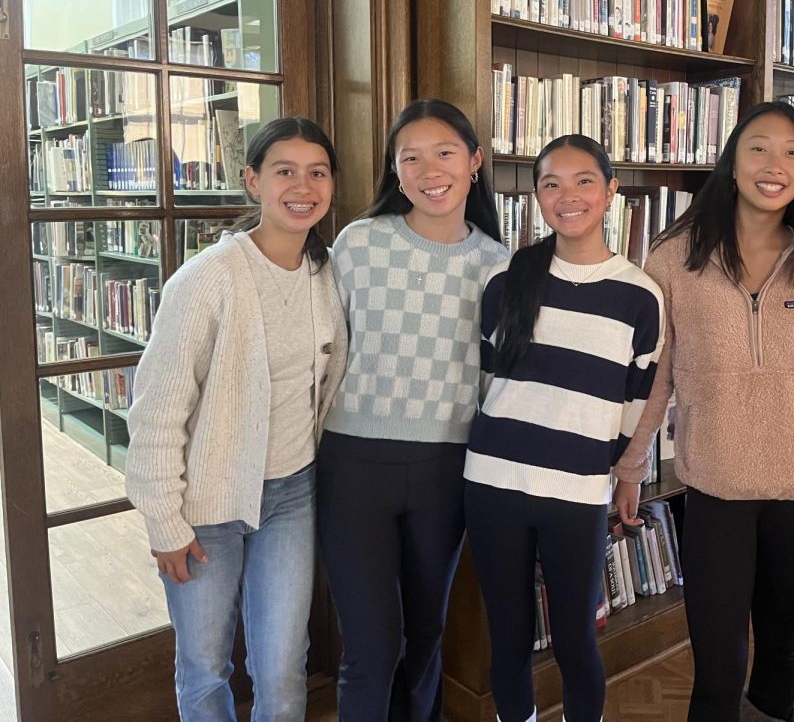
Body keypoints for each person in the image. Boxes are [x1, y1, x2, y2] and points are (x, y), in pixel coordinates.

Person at [618, 101, 794, 722]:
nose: (774, 165)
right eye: (759, 148)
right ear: (732, 160)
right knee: (718, 659)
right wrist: (631, 464)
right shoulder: (675, 259)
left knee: (779, 643)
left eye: (792, 152)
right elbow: (656, 376)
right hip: (716, 484)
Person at [126, 116, 347, 722]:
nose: (302, 186)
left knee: (282, 666)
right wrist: (163, 520)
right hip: (206, 508)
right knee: (204, 664)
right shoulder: (207, 280)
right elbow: (156, 411)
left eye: (317, 172)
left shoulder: (326, 275)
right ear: (252, 181)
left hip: (292, 495)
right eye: (284, 171)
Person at [316, 98, 507, 721]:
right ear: (395, 172)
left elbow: (501, 382)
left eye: (445, 152)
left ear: (474, 162)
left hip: (448, 471)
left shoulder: (500, 265)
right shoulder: (358, 243)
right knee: (371, 648)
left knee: (424, 638)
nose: (430, 169)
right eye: (411, 157)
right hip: (353, 466)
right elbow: (322, 349)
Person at [464, 134, 665, 722]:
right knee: (508, 636)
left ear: (611, 192)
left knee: (577, 639)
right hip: (493, 483)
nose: (567, 196)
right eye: (550, 184)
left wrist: (624, 476)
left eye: (583, 182)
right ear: (536, 198)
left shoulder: (640, 296)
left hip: (576, 492)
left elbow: (636, 404)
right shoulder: (508, 279)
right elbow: (484, 379)